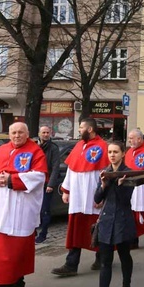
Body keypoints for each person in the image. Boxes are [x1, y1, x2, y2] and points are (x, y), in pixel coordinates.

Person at [0, 122, 47, 287]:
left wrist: (10, 179)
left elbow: (39, 176)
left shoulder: (35, 151)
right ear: (9, 134)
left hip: (21, 208)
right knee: (3, 249)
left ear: (28, 134)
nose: (17, 136)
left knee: (14, 250)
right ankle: (15, 283)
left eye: (21, 132)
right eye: (14, 132)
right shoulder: (0, 150)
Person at [52, 118, 108, 277]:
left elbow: (104, 173)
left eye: (81, 127)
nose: (79, 130)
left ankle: (101, 258)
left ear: (90, 129)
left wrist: (102, 195)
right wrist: (66, 190)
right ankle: (71, 264)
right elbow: (71, 169)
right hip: (77, 195)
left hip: (92, 195)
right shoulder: (78, 146)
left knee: (97, 228)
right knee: (75, 230)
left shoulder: (102, 146)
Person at [89, 140, 137, 287]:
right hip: (107, 221)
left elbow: (125, 200)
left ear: (123, 153)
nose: (112, 155)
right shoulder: (106, 172)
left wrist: (120, 185)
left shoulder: (128, 173)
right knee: (105, 261)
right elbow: (97, 198)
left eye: (116, 151)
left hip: (123, 220)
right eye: (110, 152)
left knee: (125, 256)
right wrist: (103, 185)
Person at [35, 125, 61, 244]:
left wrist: (51, 184)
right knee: (34, 210)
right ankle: (32, 232)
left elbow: (56, 167)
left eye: (47, 132)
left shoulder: (53, 148)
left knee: (45, 210)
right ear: (39, 134)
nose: (45, 134)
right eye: (43, 132)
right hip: (35, 183)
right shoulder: (34, 146)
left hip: (47, 183)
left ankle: (43, 234)